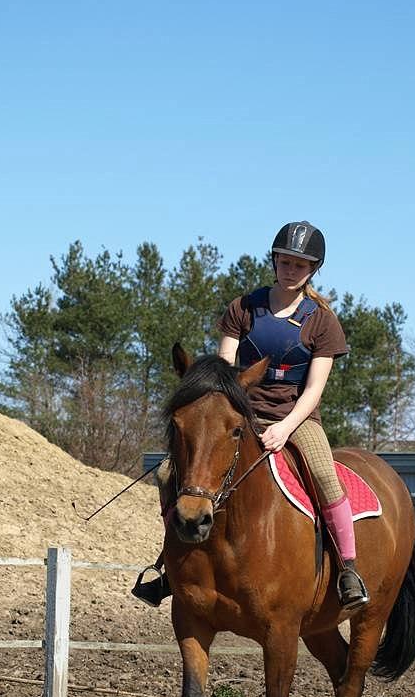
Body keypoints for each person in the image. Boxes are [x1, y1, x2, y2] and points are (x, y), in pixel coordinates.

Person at [132, 221, 369, 610]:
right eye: (285, 262)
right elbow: (224, 369)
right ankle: (169, 567)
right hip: (237, 415)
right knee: (165, 473)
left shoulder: (322, 321)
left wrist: (285, 428)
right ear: (274, 261)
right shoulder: (244, 308)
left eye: (300, 265)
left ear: (312, 270)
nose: (291, 270)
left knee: (325, 474)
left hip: (296, 419)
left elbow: (313, 390)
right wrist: (221, 412)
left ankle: (347, 570)